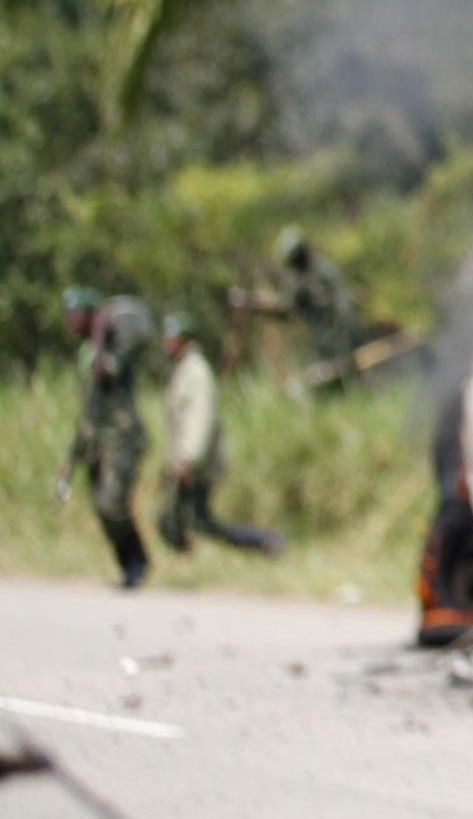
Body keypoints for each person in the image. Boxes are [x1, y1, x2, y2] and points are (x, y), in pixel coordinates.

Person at [156, 313, 284, 557]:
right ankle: (259, 544)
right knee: (182, 518)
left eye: (172, 337)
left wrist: (187, 460)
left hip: (196, 463)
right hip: (187, 461)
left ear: (184, 339)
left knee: (196, 520)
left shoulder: (197, 372)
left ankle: (264, 542)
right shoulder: (183, 369)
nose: (167, 342)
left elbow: (200, 420)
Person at [55, 287, 153, 588]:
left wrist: (100, 330)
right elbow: (89, 409)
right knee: (101, 506)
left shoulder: (116, 349)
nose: (71, 320)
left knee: (113, 503)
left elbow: (102, 372)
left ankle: (138, 563)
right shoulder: (87, 352)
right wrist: (72, 456)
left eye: (77, 314)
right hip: (97, 441)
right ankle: (130, 566)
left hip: (122, 440)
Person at [272, 227, 362, 381]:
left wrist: (346, 325)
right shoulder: (299, 281)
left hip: (339, 334)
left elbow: (342, 299)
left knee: (349, 372)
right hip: (320, 339)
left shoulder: (325, 271)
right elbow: (292, 307)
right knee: (324, 375)